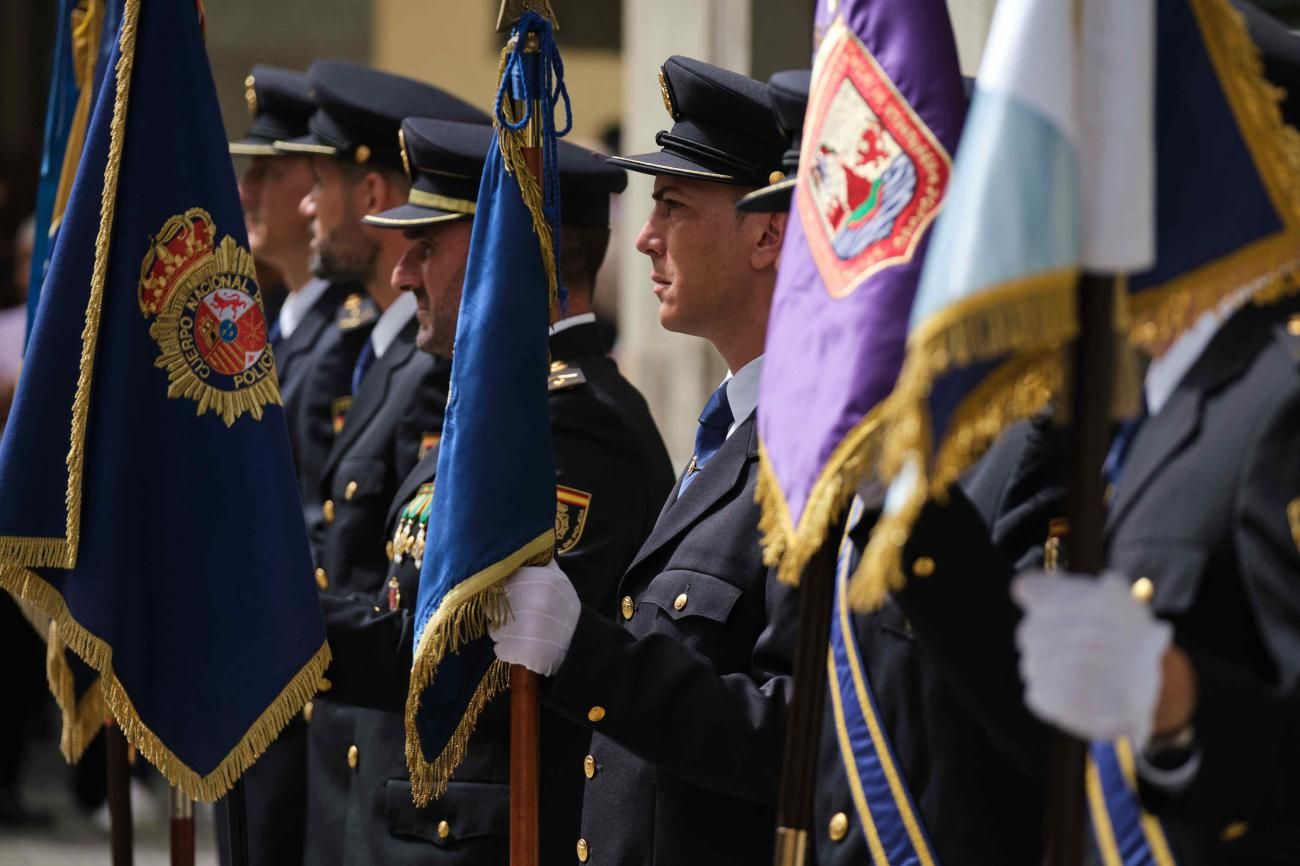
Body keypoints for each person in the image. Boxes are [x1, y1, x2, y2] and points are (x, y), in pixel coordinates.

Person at [314, 117, 675, 865]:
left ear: (504, 257)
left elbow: (478, 658)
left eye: (425, 249)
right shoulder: (495, 406)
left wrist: (270, 624)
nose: (400, 275)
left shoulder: (575, 428)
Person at [487, 55, 796, 865]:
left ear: (766, 233)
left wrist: (586, 654)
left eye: (674, 206)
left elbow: (791, 737)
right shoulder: (729, 435)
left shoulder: (805, 455)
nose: (647, 238)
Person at [269, 61, 491, 866]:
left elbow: (400, 577)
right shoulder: (384, 357)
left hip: (373, 735)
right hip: (335, 719)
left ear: (371, 198)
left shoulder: (434, 371)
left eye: (318, 182)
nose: (302, 204)